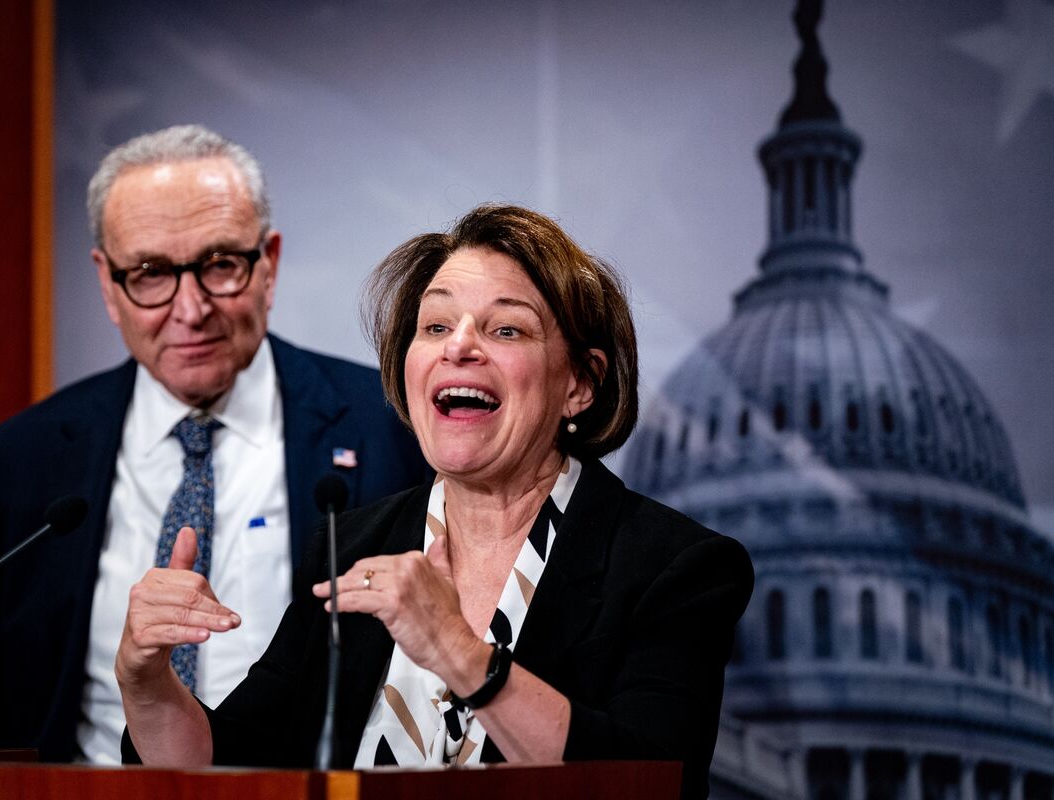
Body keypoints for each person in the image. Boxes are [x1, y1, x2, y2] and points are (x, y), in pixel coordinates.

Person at [116, 204, 753, 798]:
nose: (458, 346)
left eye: (506, 328)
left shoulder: (675, 567)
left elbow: (648, 783)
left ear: (580, 385)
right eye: (436, 325)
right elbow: (230, 764)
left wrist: (457, 649)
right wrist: (147, 685)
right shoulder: (353, 547)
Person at [0, 125, 429, 763]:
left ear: (269, 264)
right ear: (108, 285)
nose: (191, 307)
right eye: (149, 274)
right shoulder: (22, 461)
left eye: (220, 264)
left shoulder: (393, 424)